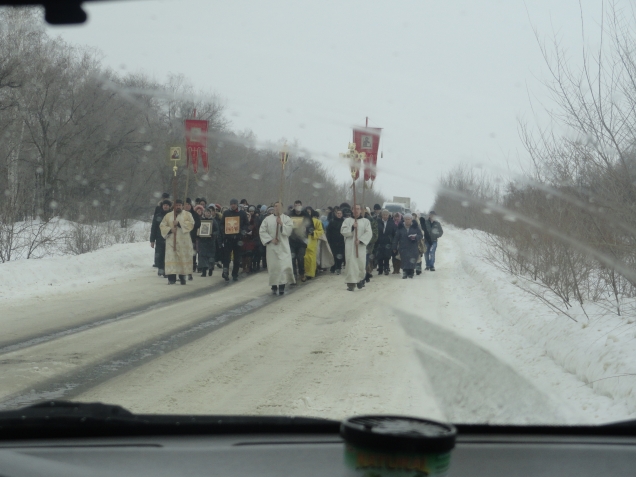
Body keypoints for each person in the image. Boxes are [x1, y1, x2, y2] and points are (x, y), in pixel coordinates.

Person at [259, 203, 296, 295]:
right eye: (275, 206)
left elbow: (289, 231)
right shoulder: (267, 219)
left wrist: (282, 224)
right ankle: (274, 285)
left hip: (283, 246)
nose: (277, 208)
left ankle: (282, 286)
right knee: (274, 267)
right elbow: (262, 231)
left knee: (282, 266)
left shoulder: (286, 219)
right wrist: (271, 240)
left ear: (282, 208)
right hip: (272, 247)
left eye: (279, 206)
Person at [159, 199, 195, 285]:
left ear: (182, 206)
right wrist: (170, 230)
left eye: (179, 205)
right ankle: (171, 279)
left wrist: (179, 223)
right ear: (173, 206)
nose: (178, 206)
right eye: (176, 205)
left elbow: (191, 224)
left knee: (182, 259)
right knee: (172, 258)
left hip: (183, 242)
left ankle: (182, 278)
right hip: (171, 242)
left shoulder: (187, 214)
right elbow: (162, 225)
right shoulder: (168, 216)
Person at [341, 204, 373, 291]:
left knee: (360, 264)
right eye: (354, 209)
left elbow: (369, 233)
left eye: (358, 209)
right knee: (351, 264)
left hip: (360, 247)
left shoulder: (365, 221)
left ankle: (360, 280)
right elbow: (343, 231)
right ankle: (351, 284)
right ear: (352, 210)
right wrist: (352, 228)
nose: (356, 211)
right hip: (350, 246)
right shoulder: (347, 221)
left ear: (361, 210)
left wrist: (361, 240)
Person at [221, 198, 250, 282]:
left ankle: (235, 274)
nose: (233, 205)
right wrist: (224, 230)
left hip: (238, 239)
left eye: (234, 204)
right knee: (226, 257)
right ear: (230, 205)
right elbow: (221, 224)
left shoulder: (242, 213)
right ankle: (225, 272)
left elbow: (247, 224)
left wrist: (242, 230)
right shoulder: (226, 213)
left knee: (237, 258)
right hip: (228, 238)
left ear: (237, 204)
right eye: (231, 204)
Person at [288, 199, 313, 282]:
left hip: (302, 240)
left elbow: (311, 226)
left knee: (300, 258)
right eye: (296, 205)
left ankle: (302, 273)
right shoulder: (290, 215)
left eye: (299, 205)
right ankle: (294, 275)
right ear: (294, 206)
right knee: (292, 258)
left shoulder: (305, 215)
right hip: (292, 240)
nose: (298, 207)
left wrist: (308, 230)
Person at [392, 213, 423, 279]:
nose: (407, 221)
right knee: (404, 260)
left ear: (411, 220)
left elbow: (420, 235)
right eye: (406, 219)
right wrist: (394, 247)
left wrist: (415, 237)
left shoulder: (415, 227)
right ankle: (405, 273)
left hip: (413, 247)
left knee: (412, 260)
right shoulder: (400, 228)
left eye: (409, 219)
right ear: (404, 220)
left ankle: (411, 272)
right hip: (403, 247)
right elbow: (396, 238)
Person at [150, 199, 172, 277]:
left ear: (169, 207)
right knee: (160, 254)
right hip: (159, 238)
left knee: (168, 255)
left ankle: (166, 270)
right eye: (164, 205)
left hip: (169, 238)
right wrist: (152, 240)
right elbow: (154, 228)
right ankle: (160, 269)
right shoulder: (158, 216)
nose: (165, 206)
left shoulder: (172, 216)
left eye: (167, 205)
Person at [197, 207, 220, 277]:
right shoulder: (200, 220)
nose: (207, 214)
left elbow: (217, 230)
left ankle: (210, 269)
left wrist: (213, 234)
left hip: (210, 241)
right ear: (204, 213)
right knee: (203, 256)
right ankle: (204, 271)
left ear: (210, 213)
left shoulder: (213, 221)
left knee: (210, 257)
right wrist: (198, 234)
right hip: (202, 241)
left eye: (209, 213)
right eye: (206, 212)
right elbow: (197, 228)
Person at [304, 207, 324, 279]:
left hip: (312, 241)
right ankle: (303, 272)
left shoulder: (316, 221)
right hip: (302, 242)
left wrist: (313, 233)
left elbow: (321, 231)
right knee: (303, 257)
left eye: (309, 212)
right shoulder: (301, 221)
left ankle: (310, 273)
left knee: (311, 257)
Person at [375, 209, 396, 275]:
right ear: (381, 215)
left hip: (388, 241)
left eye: (386, 215)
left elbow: (394, 232)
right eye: (384, 215)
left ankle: (386, 268)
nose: (385, 216)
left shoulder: (391, 222)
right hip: (379, 241)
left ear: (388, 215)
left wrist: (392, 240)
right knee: (379, 256)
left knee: (387, 256)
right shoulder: (378, 222)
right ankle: (380, 268)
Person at [326, 208, 345, 274]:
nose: (339, 215)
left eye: (340, 213)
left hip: (341, 241)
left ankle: (338, 268)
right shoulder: (332, 222)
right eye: (338, 213)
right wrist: (328, 240)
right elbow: (328, 231)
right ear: (335, 214)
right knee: (333, 255)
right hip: (333, 241)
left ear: (342, 214)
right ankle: (333, 267)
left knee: (339, 255)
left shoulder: (344, 222)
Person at [364, 207, 378, 282]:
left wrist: (368, 241)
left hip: (368, 244)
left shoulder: (371, 220)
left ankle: (366, 274)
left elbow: (375, 234)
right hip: (357, 244)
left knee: (367, 260)